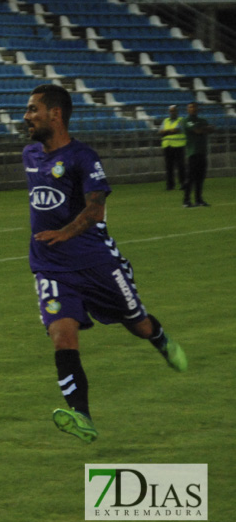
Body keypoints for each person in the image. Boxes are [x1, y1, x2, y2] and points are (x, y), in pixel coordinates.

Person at [22, 84, 187, 444]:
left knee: (138, 324)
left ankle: (160, 340)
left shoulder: (84, 157)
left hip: (96, 263)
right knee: (61, 335)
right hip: (51, 267)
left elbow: (96, 208)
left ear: (56, 114)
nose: (26, 116)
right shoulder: (30, 154)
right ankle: (81, 415)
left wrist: (66, 232)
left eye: (33, 109)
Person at [182, 102, 213, 208]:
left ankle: (199, 199)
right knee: (191, 177)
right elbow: (198, 130)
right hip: (193, 152)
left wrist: (203, 129)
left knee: (200, 177)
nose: (193, 109)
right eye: (190, 107)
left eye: (194, 107)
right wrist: (205, 129)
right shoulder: (186, 121)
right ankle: (186, 200)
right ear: (187, 109)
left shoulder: (201, 120)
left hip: (202, 152)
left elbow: (212, 129)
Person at [157, 105, 186, 192]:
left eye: (174, 111)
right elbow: (160, 132)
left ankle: (183, 183)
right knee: (169, 167)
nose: (172, 113)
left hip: (178, 145)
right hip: (167, 146)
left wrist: (166, 132)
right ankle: (170, 185)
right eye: (171, 111)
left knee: (181, 166)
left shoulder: (181, 120)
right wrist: (169, 131)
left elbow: (176, 130)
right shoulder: (165, 120)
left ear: (177, 112)